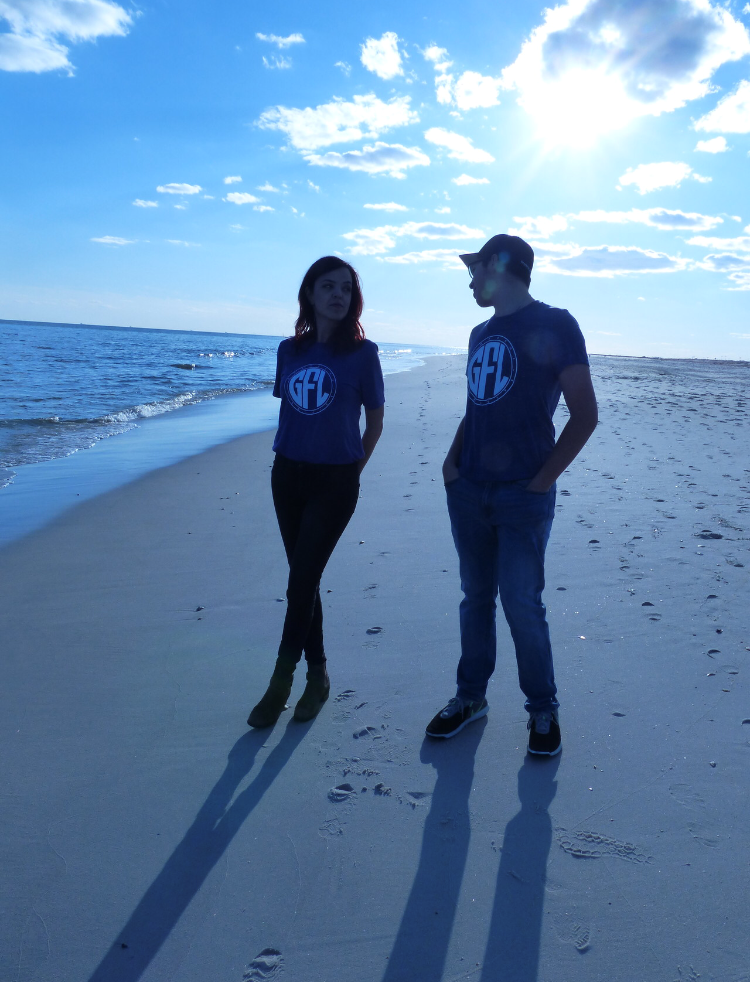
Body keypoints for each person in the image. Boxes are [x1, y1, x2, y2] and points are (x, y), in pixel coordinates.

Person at [426, 234, 598, 755]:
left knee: (522, 604)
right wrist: (452, 463)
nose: (471, 280)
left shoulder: (556, 324)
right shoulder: (480, 333)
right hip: (469, 488)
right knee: (474, 598)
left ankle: (542, 710)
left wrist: (541, 482)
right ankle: (470, 698)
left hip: (523, 494)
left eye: (475, 269)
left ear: (499, 267)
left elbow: (584, 415)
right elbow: (477, 405)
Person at [248, 256, 384, 728]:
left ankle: (280, 683)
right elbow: (291, 412)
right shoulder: (290, 351)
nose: (338, 295)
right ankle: (319, 676)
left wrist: (353, 471)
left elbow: (376, 421)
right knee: (303, 579)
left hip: (335, 482)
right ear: (309, 294)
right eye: (328, 286)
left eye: (346, 288)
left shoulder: (364, 355)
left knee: (300, 582)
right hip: (287, 476)